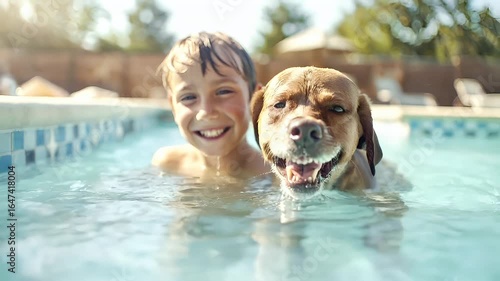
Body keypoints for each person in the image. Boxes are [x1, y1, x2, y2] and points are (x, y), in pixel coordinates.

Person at [152, 32, 270, 180]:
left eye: (223, 91)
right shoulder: (167, 163)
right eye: (188, 97)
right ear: (173, 107)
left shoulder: (272, 174)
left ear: (255, 99)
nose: (206, 111)